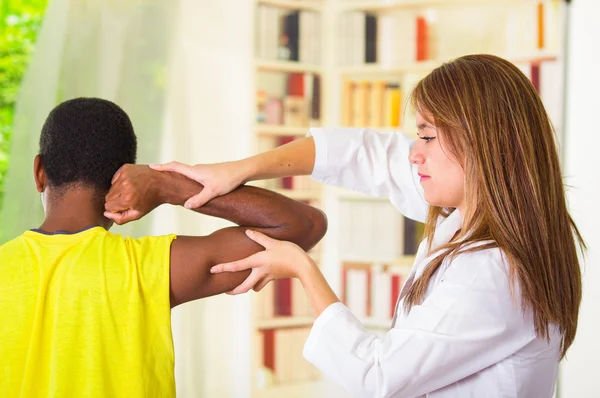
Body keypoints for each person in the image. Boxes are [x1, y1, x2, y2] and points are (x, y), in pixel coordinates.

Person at [152, 54, 585, 397]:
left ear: (484, 144)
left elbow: (378, 376)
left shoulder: (493, 272)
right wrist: (237, 170)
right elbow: (366, 154)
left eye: (428, 136)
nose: (415, 154)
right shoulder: (476, 216)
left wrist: (303, 268)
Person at [0, 97, 327, 397]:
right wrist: (169, 186)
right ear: (123, 179)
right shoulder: (147, 268)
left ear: (39, 173)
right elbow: (304, 226)